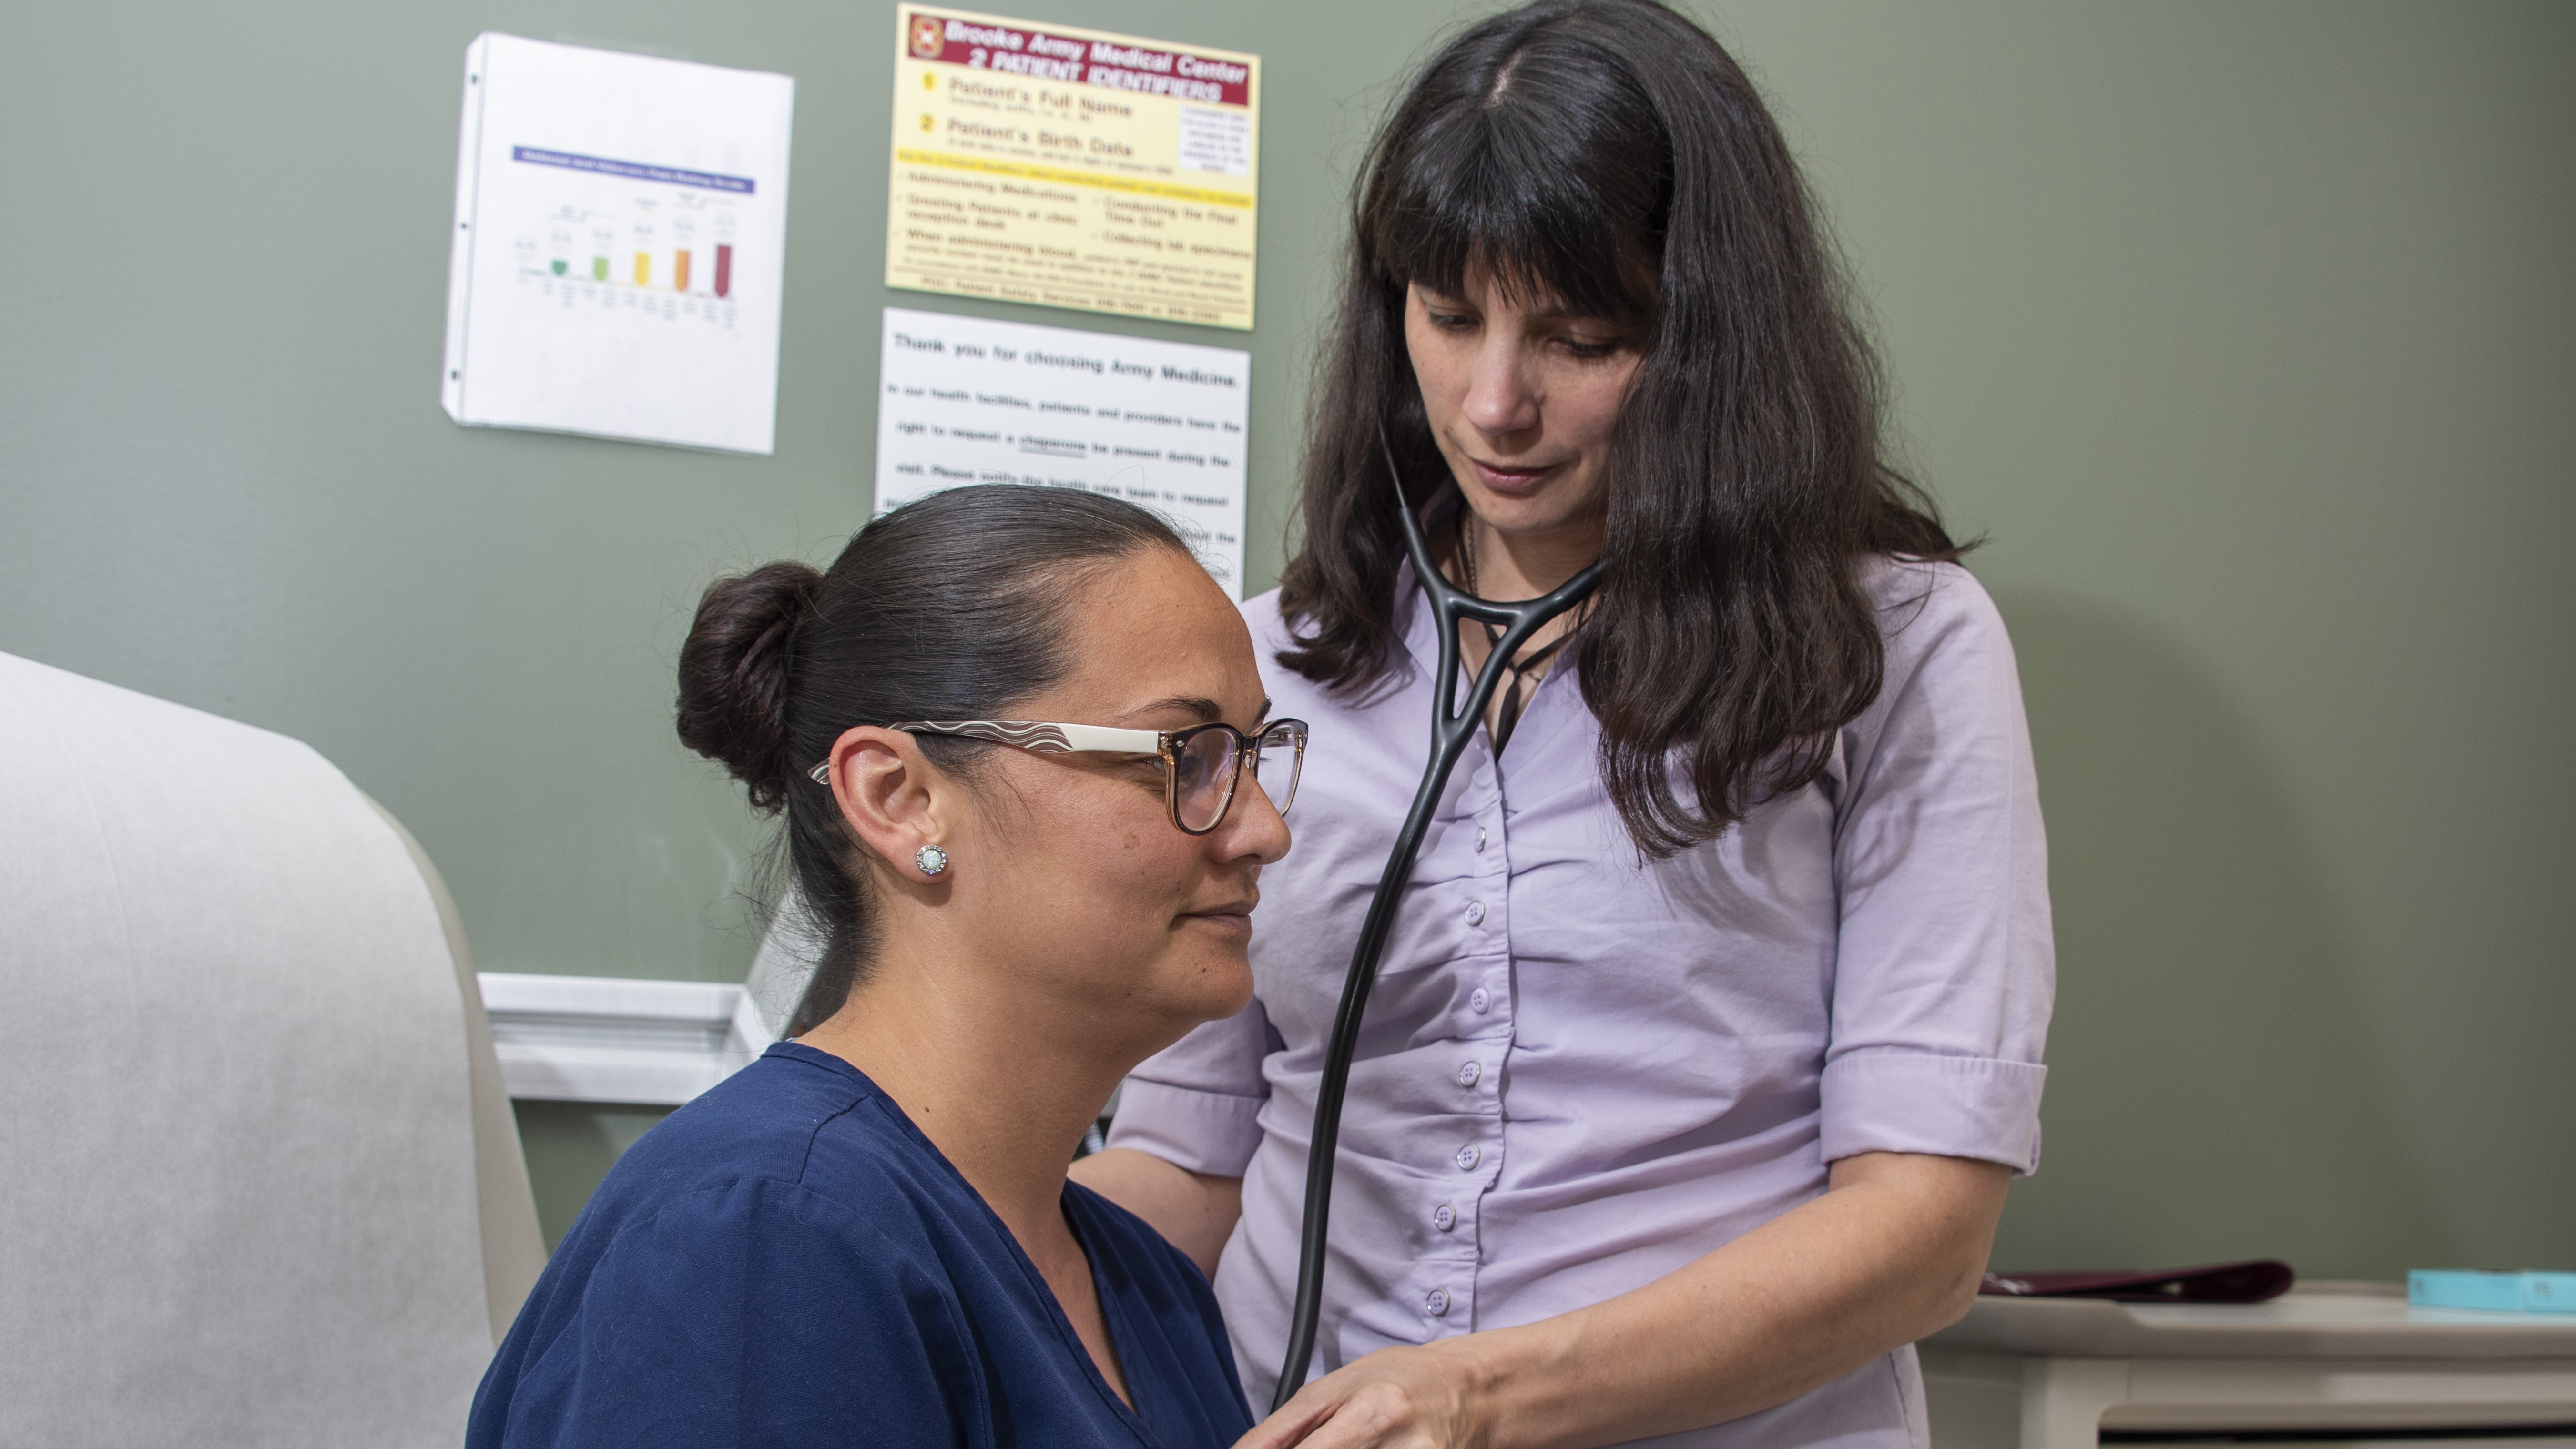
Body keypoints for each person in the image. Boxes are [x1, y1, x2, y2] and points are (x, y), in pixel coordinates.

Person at [1070, 3, 2054, 1447]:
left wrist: (1478, 1394)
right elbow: (1188, 1156)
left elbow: (1922, 1231)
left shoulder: (1894, 647)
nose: (1492, 404)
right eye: (1448, 315)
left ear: (1707, 335)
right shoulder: (1271, 656)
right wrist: (928, 1256)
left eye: (1581, 338)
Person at [467, 485, 1307, 1448]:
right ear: (902, 799)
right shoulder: (763, 1243)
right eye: (1185, 754)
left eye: (1253, 754)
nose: (1264, 830)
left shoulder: (1147, 1289)